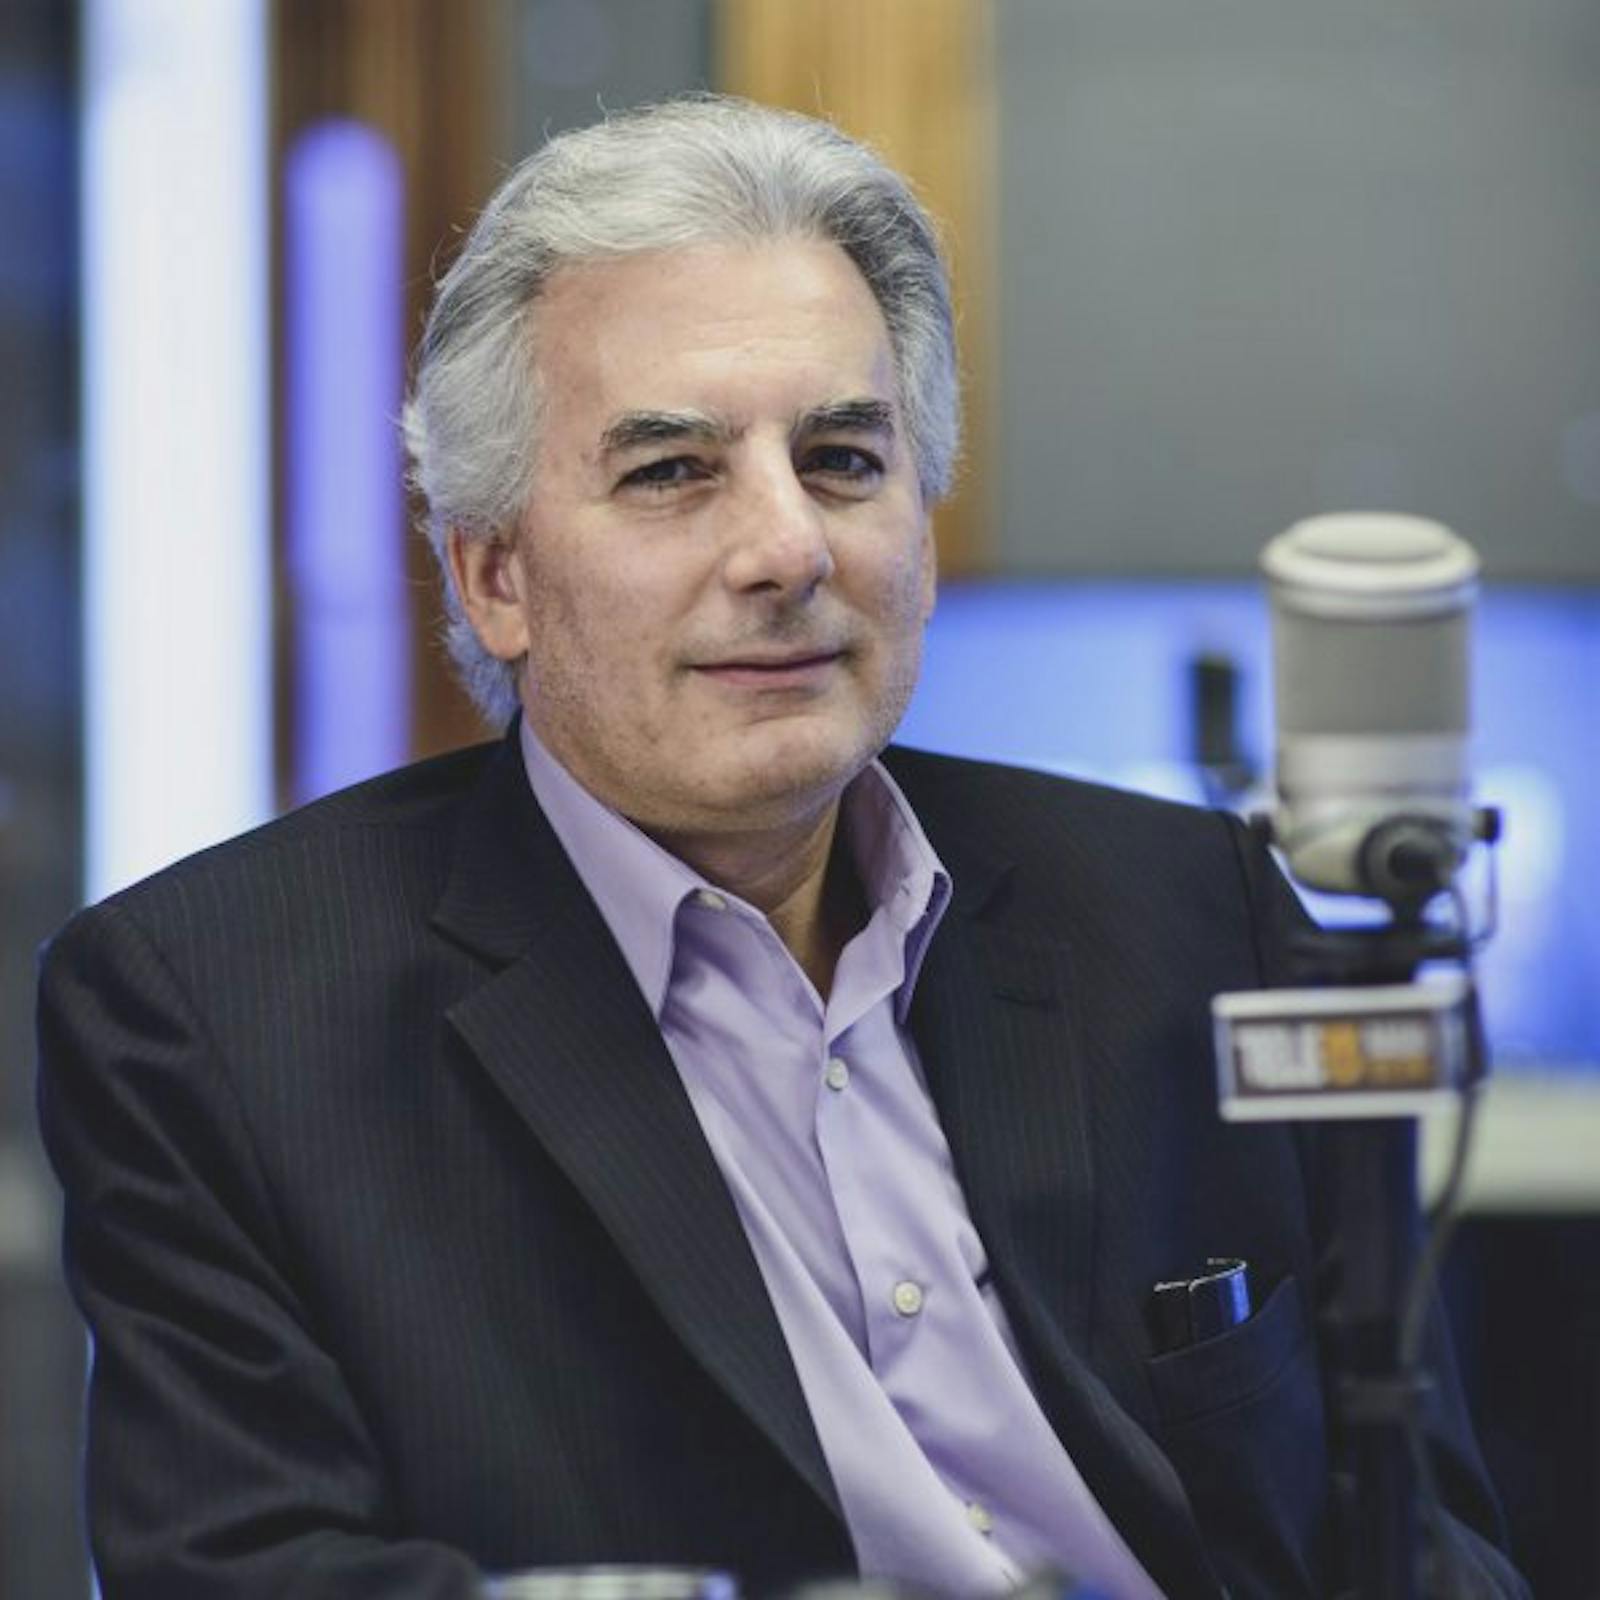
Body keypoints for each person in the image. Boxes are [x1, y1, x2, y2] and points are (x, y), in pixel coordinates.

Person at [38, 96, 1524, 1599]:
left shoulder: (1186, 914)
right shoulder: (217, 1015)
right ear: (495, 577)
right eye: (672, 472)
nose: (789, 548)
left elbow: (1426, 1549)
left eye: (842, 458)